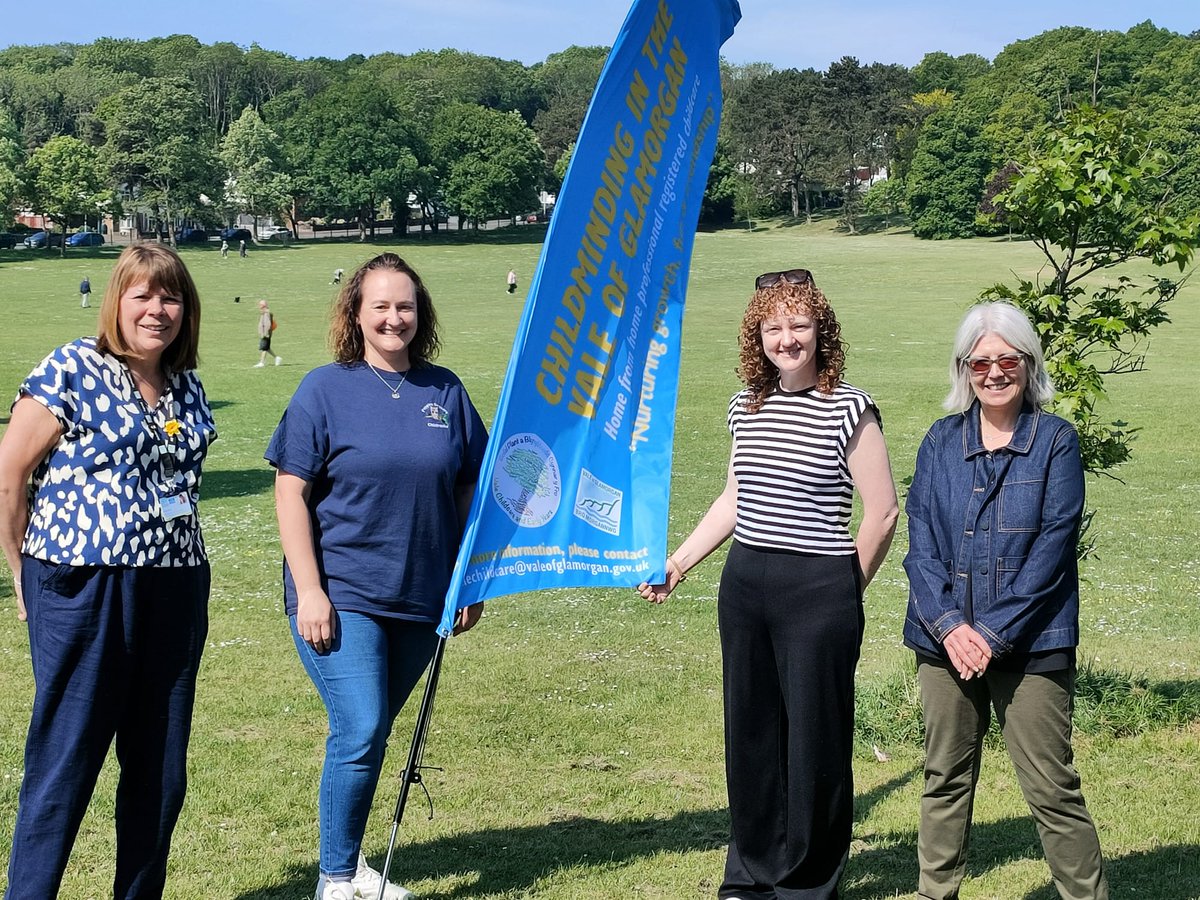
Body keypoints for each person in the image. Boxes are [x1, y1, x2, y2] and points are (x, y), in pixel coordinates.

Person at [638, 268, 899, 899]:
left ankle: (807, 885)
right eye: (773, 327)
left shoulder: (851, 408)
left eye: (799, 325)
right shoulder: (745, 406)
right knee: (751, 736)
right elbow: (735, 496)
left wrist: (844, 586)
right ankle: (751, 875)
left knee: (814, 744)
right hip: (746, 584)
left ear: (821, 331)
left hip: (819, 587)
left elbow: (883, 510)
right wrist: (679, 562)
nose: (786, 338)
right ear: (756, 336)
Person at [266, 252, 488, 900]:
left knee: (368, 735)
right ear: (356, 314)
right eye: (382, 306)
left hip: (421, 598)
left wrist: (466, 578)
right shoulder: (323, 389)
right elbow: (289, 492)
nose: (395, 318)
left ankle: (351, 865)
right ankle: (335, 880)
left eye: (406, 306)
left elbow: (472, 484)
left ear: (421, 315)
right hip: (342, 594)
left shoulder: (444, 390)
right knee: (361, 727)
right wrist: (310, 589)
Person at [0, 243, 216, 898]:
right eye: (143, 295)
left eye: (170, 296)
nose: (158, 309)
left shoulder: (187, 384)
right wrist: (19, 572)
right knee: (66, 762)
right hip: (85, 582)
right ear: (116, 301)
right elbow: (10, 474)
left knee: (159, 771)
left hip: (174, 585)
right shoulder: (74, 367)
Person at [903, 301, 1108, 900]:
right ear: (964, 368)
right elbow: (921, 546)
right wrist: (949, 627)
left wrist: (988, 635)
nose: (994, 372)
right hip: (944, 643)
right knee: (944, 778)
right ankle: (934, 893)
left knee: (1051, 788)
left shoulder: (1055, 443)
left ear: (1028, 364)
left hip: (1033, 643)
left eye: (1007, 360)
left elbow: (1051, 550)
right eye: (980, 361)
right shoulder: (940, 441)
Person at [256, 300, 282, 367]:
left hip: (266, 333)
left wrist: (266, 333)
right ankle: (277, 358)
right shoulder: (264, 313)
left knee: (264, 348)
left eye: (260, 305)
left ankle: (262, 362)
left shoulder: (267, 313)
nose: (259, 306)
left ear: (263, 306)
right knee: (266, 348)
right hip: (265, 333)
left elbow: (268, 324)